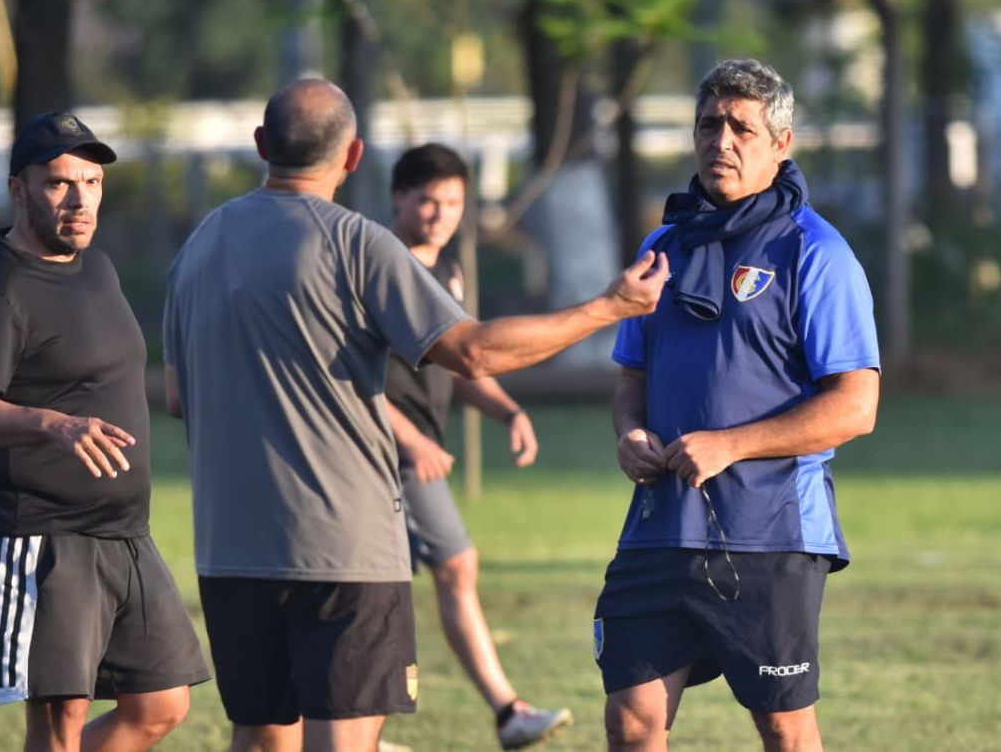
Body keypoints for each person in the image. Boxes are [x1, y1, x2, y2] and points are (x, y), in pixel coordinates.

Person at [162, 77, 668, 752]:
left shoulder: (200, 244)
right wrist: (610, 307)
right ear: (352, 157)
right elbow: (475, 352)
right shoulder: (357, 243)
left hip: (229, 549)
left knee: (259, 739)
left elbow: (177, 397)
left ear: (261, 146)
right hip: (341, 552)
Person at [594, 58, 881, 752]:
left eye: (740, 127)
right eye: (708, 124)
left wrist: (732, 442)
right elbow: (631, 372)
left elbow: (856, 405)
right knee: (632, 720)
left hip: (770, 533)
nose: (720, 140)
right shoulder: (661, 247)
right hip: (660, 527)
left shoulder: (816, 251)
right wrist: (630, 431)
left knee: (783, 725)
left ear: (781, 144)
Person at [0, 111, 209, 752]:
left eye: (92, 181)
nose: (80, 199)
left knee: (161, 702)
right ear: (18, 189)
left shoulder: (96, 266)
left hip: (122, 531)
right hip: (35, 533)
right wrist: (50, 424)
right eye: (60, 183)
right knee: (58, 723)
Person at [383, 143, 572, 750]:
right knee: (439, 571)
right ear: (399, 199)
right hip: (383, 455)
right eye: (427, 200)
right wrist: (410, 440)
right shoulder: (377, 269)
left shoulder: (448, 273)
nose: (440, 214)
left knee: (389, 591)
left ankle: (498, 711)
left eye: (453, 202)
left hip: (416, 452)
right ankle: (503, 711)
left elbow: (464, 361)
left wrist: (508, 409)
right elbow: (341, 379)